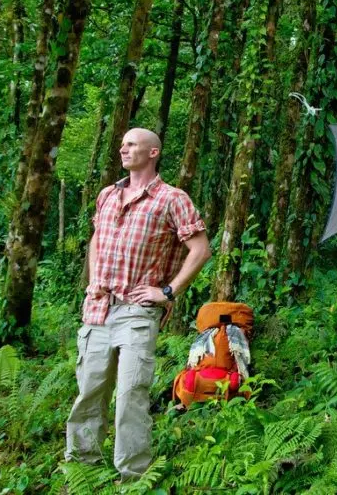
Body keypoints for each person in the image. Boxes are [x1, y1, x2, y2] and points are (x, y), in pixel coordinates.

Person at [65, 128, 211, 480]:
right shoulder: (107, 195)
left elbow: (201, 249)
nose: (123, 148)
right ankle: (80, 472)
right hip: (99, 308)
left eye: (131, 144)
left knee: (130, 393)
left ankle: (132, 477)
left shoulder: (172, 199)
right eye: (122, 144)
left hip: (137, 311)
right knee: (89, 392)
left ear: (153, 152)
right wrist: (92, 282)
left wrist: (168, 292)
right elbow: (98, 237)